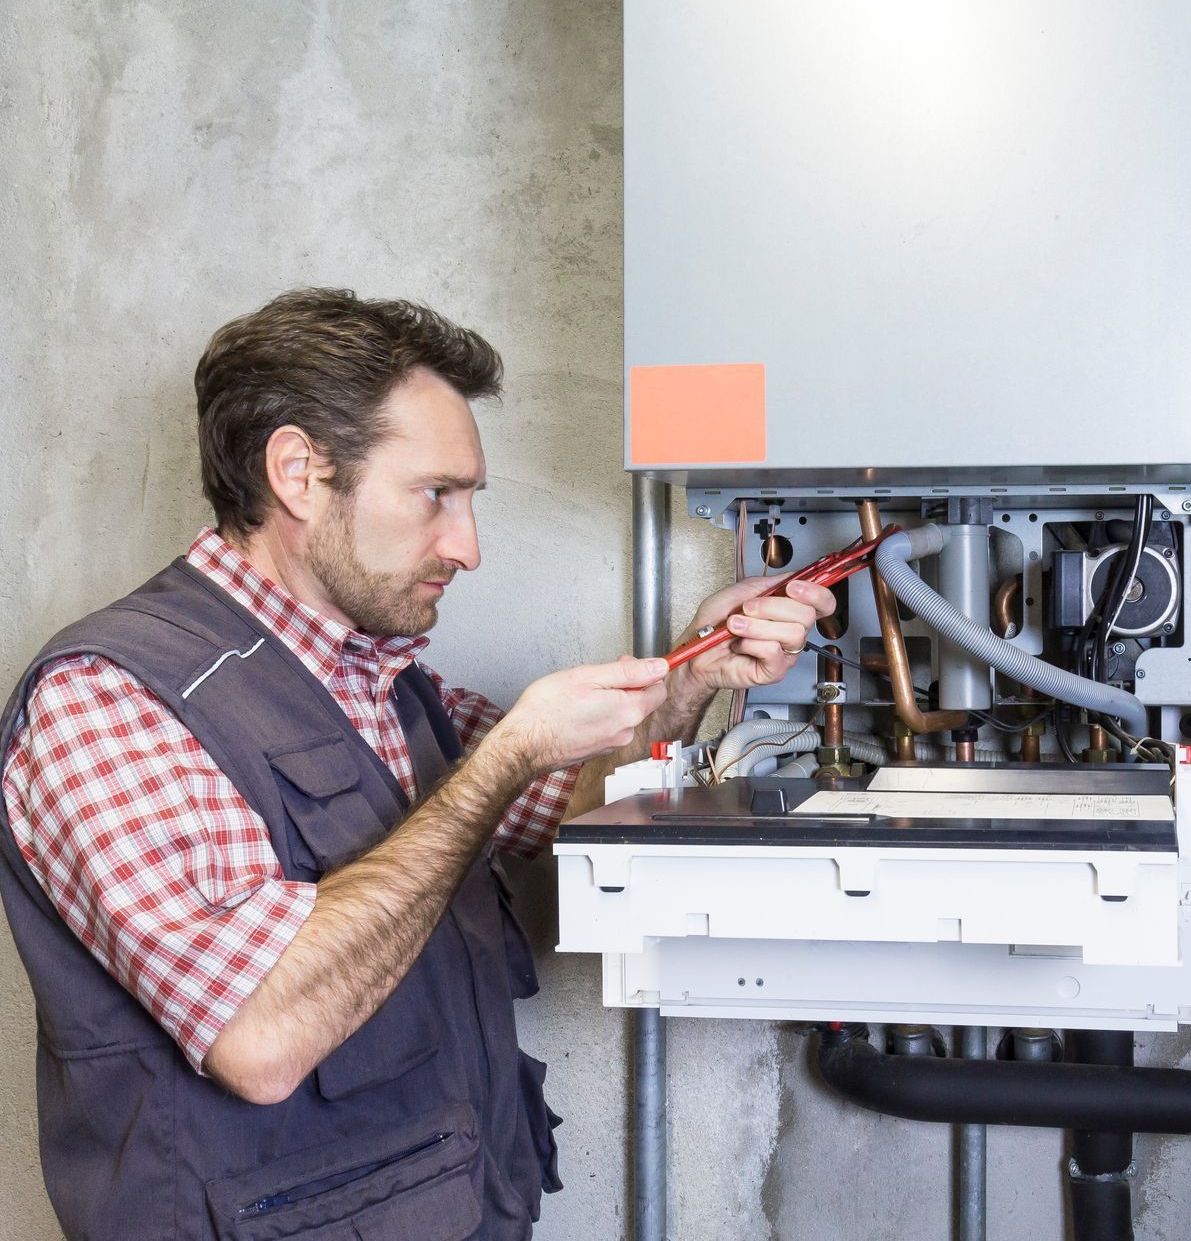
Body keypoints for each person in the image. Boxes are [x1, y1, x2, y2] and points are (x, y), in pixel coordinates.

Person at [0, 288, 833, 1240]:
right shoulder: (108, 700)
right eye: (436, 494)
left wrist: (693, 674)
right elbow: (260, 1036)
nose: (467, 548)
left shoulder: (383, 679)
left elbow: (576, 806)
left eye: (470, 499)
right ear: (299, 473)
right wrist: (505, 756)